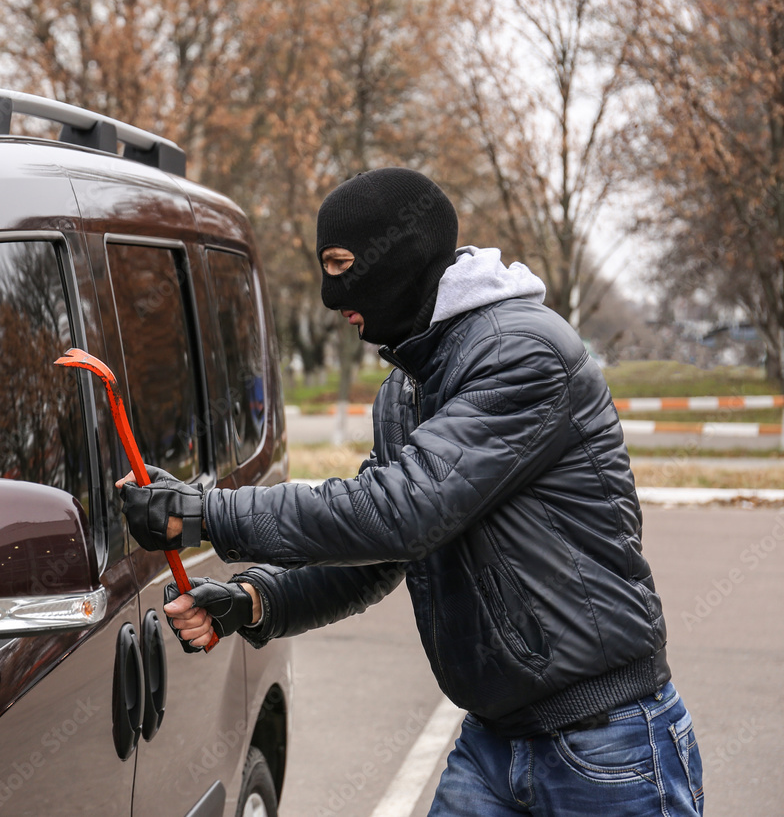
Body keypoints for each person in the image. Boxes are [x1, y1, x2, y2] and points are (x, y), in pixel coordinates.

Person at [117, 168, 704, 816]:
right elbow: (378, 552)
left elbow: (400, 512)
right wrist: (254, 600)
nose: (329, 294)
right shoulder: (407, 389)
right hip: (491, 740)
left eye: (341, 265)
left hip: (603, 743)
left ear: (398, 258)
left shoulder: (521, 352)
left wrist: (204, 515)